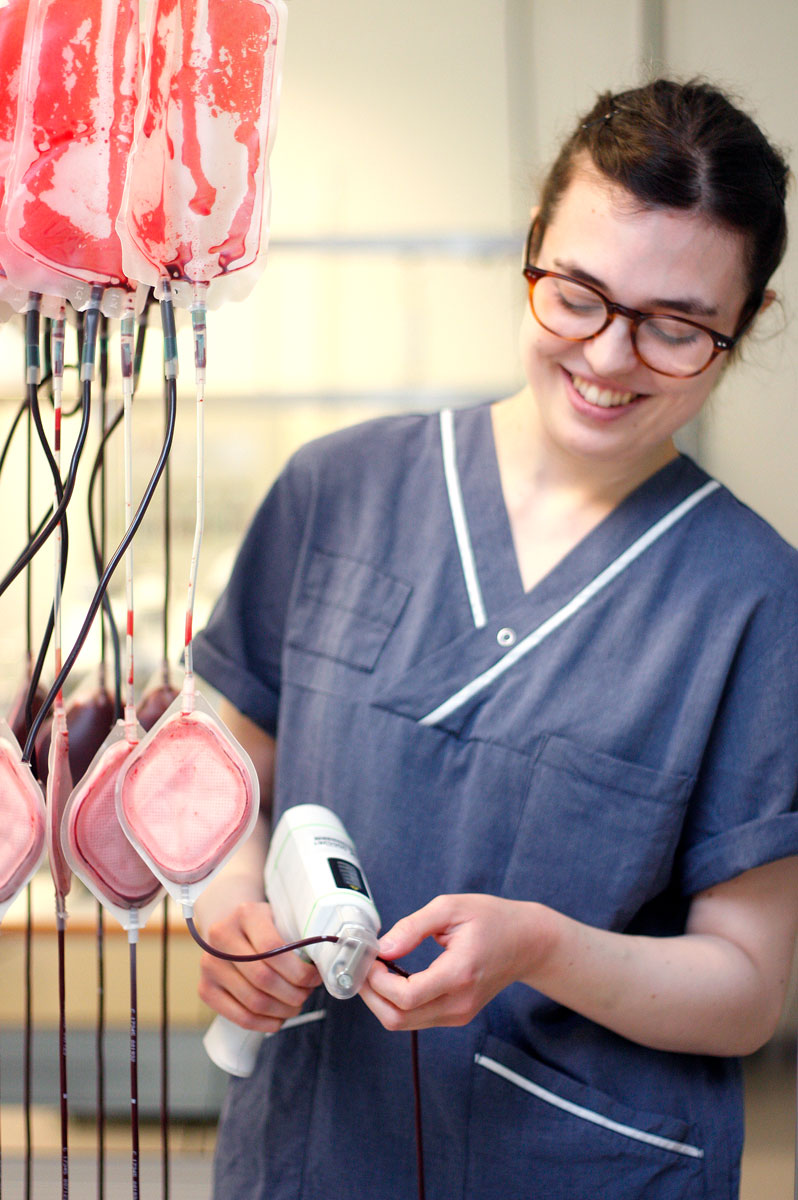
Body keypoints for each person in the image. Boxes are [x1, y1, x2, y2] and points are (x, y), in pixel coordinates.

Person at [191, 78, 798, 1199]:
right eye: (577, 296)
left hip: (578, 1166)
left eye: (674, 327)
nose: (610, 359)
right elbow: (236, 791)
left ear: (745, 323)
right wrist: (228, 912)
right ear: (532, 252)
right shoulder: (340, 491)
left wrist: (543, 948)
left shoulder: (754, 601)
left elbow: (749, 990)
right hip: (314, 1152)